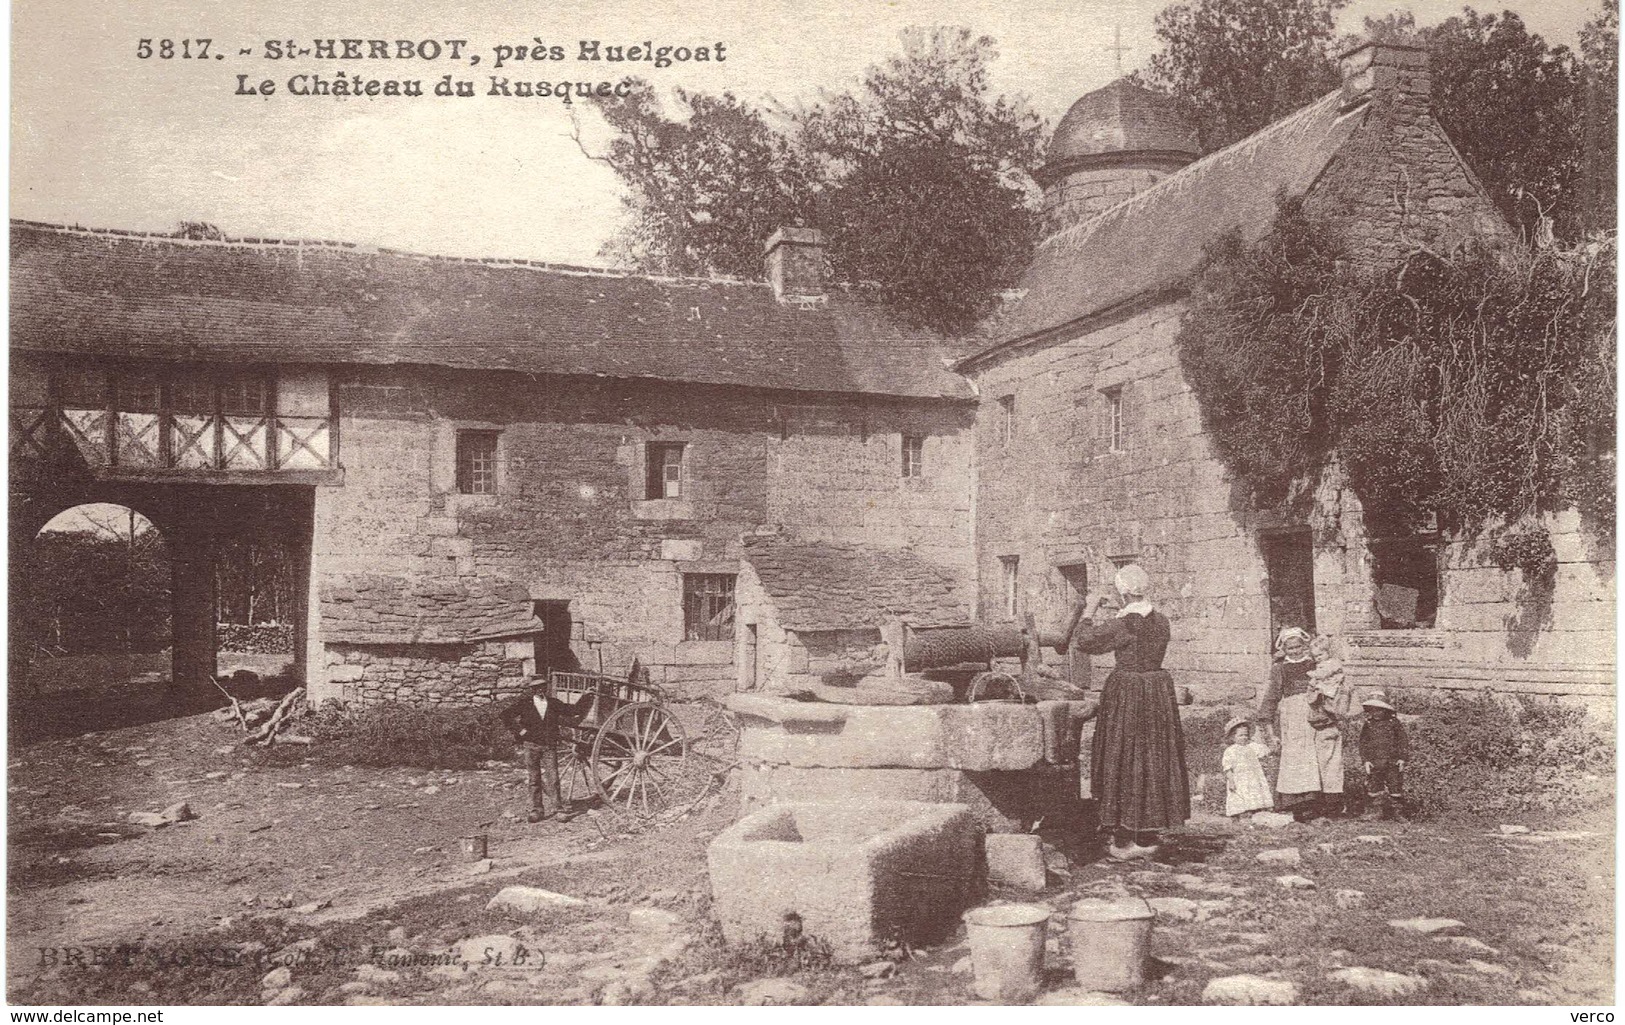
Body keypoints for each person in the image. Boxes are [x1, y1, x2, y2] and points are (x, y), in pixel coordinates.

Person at [1064, 563, 1190, 861]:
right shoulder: (1161, 621)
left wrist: (1090, 609)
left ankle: (1122, 840)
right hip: (1157, 691)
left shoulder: (1124, 624)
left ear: (1122, 593)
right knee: (1152, 756)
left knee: (1124, 754)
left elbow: (1084, 642)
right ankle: (1145, 828)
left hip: (1129, 692)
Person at [1258, 627, 1352, 822]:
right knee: (1297, 759)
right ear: (1284, 648)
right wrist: (1268, 727)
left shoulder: (1314, 663)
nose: (1294, 651)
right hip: (1292, 717)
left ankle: (1321, 803)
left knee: (1320, 758)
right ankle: (1299, 805)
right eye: (1290, 648)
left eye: (1298, 646)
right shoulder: (1279, 668)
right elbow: (1271, 698)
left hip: (1316, 713)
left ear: (1304, 645)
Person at [500, 680, 588, 823]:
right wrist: (519, 731)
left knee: (553, 779)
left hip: (549, 746)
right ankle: (536, 811)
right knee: (534, 779)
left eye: (542, 687)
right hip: (531, 745)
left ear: (545, 688)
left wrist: (586, 696)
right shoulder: (525, 704)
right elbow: (505, 715)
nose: (540, 690)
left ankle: (558, 810)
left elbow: (573, 711)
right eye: (536, 688)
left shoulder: (553, 703)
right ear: (532, 689)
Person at [1359, 691, 1410, 820]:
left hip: (1392, 762)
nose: (1375, 713)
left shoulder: (1393, 723)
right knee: (1375, 786)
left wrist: (1402, 758)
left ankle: (1398, 813)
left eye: (1378, 710)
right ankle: (1376, 812)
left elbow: (1403, 740)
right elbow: (1363, 743)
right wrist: (1366, 760)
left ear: (1385, 710)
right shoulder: (1369, 724)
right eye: (1372, 710)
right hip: (1375, 762)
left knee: (1395, 785)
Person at [1221, 717, 1274, 819]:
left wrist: (1270, 744)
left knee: (1253, 796)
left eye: (1246, 735)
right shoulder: (1230, 750)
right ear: (1233, 737)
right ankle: (1237, 818)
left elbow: (1266, 751)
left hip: (1253, 778)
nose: (1244, 737)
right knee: (1239, 797)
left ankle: (1254, 816)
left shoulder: (1252, 747)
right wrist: (1231, 781)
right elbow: (1228, 768)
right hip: (1239, 779)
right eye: (1240, 735)